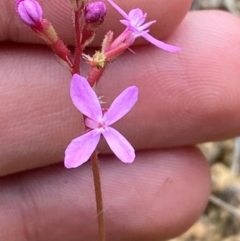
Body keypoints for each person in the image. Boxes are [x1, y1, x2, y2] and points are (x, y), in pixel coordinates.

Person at [0, 0, 239, 240]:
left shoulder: (99, 82)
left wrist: (114, 45)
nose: (101, 123)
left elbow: (87, 83)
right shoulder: (84, 92)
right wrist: (48, 32)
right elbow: (79, 83)